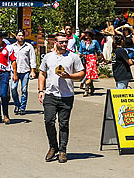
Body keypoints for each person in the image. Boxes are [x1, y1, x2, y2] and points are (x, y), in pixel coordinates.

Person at [38, 32, 85, 163]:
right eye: (62, 42)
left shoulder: (73, 57)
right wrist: (40, 90)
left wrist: (69, 76)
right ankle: (53, 147)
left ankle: (62, 151)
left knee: (63, 124)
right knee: (49, 121)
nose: (64, 44)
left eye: (66, 42)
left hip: (67, 95)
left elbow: (82, 73)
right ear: (56, 43)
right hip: (50, 95)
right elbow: (42, 73)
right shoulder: (48, 57)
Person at [78, 30, 101, 96]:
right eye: (85, 34)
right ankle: (92, 87)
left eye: (87, 34)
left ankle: (86, 90)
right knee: (86, 74)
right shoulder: (82, 42)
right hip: (84, 59)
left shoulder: (94, 42)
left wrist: (101, 59)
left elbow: (99, 50)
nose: (85, 35)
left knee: (89, 74)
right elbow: (80, 52)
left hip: (92, 59)